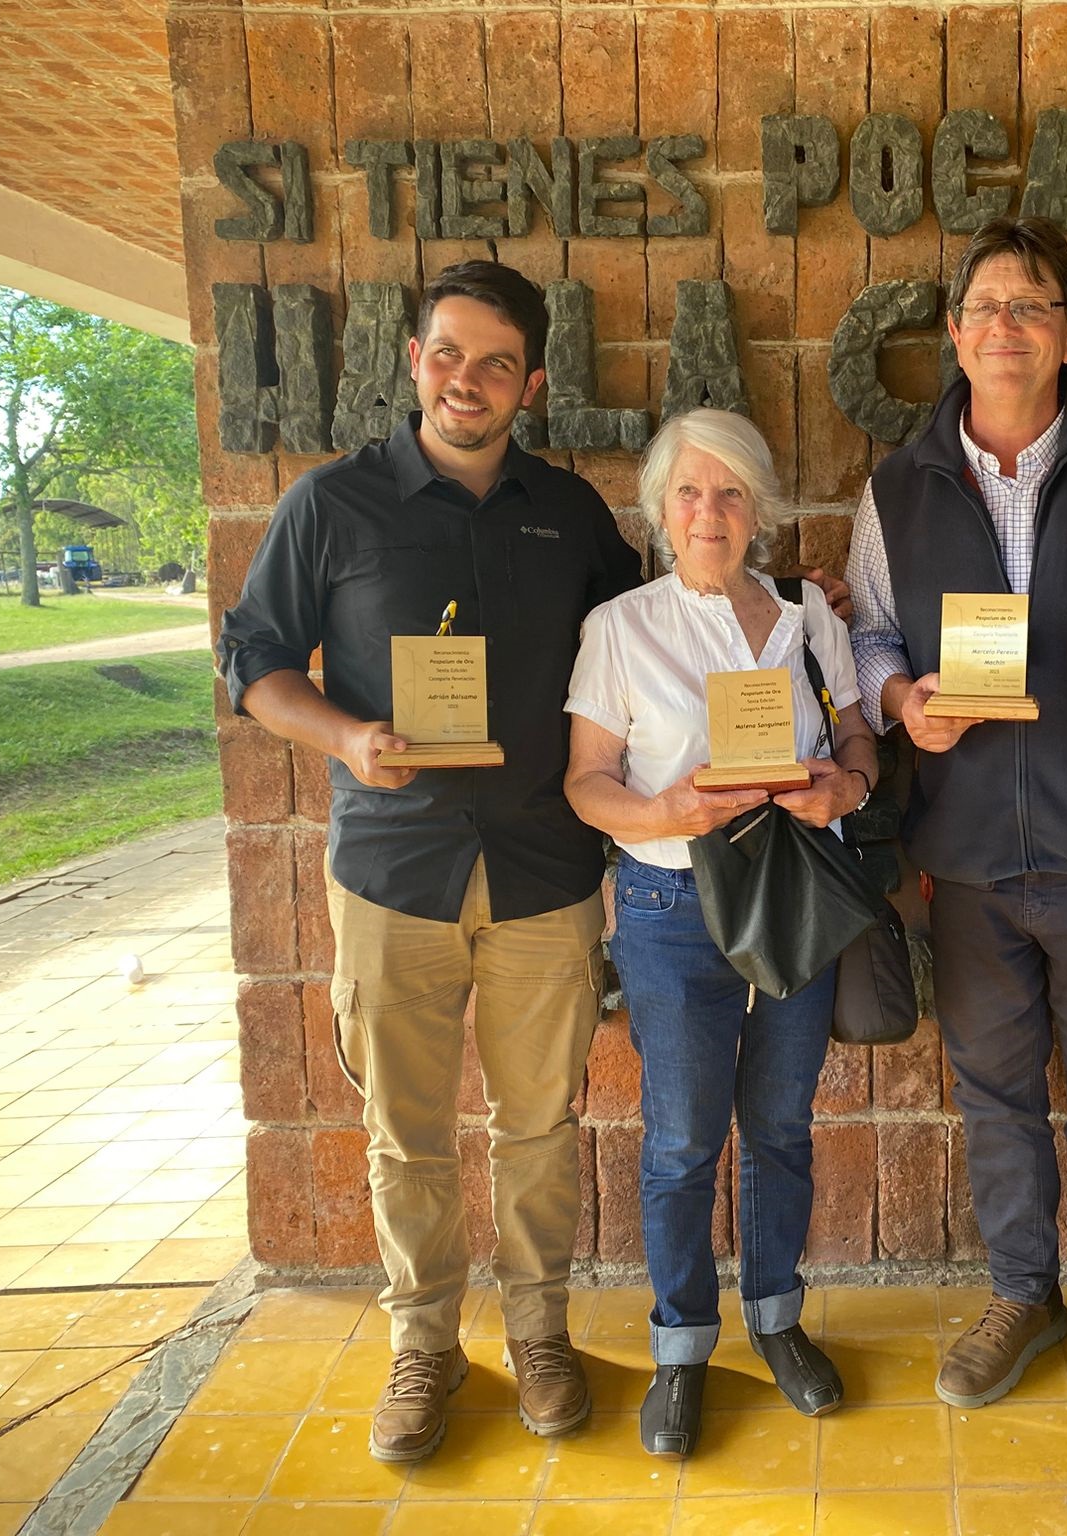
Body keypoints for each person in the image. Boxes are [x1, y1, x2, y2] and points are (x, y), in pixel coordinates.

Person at [215, 261, 846, 1465]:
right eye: (449, 354)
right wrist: (346, 735)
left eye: (496, 362)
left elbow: (680, 608)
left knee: (539, 1124)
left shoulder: (568, 517)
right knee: (405, 1129)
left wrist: (794, 598)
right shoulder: (330, 505)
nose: (469, 380)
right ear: (413, 362)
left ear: (531, 382)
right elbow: (251, 664)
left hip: (541, 876)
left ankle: (542, 1334)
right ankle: (423, 1345)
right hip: (393, 870)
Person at [846, 216, 1067, 1426]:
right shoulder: (898, 484)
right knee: (992, 1094)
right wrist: (899, 703)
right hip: (968, 854)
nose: (1005, 326)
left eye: (1031, 305)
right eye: (984, 305)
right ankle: (1018, 1294)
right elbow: (871, 635)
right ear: (953, 333)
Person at [564, 408, 879, 1459]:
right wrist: (666, 815)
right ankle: (682, 1347)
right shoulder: (621, 626)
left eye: (731, 492)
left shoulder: (805, 614)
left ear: (760, 510)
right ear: (660, 510)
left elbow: (855, 738)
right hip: (670, 905)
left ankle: (778, 1321)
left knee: (781, 1125)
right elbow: (586, 783)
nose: (710, 512)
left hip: (789, 888)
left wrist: (844, 786)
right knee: (684, 1140)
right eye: (690, 493)